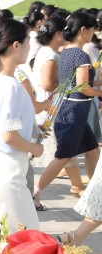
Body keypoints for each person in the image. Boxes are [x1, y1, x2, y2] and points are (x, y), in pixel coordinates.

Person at [0, 18, 42, 233]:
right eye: (27, 43)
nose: (29, 48)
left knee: (5, 245)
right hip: (7, 171)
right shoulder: (9, 85)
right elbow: (9, 135)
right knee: (26, 241)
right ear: (15, 45)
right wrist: (35, 148)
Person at [34, 12, 102, 206]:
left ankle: (95, 191)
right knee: (63, 155)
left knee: (92, 150)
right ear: (83, 30)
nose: (93, 33)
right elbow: (83, 87)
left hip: (69, 108)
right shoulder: (80, 54)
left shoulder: (65, 51)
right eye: (91, 29)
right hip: (74, 112)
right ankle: (35, 191)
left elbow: (75, 82)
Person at [28, 17, 86, 194]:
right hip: (50, 106)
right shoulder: (50, 56)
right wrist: (68, 83)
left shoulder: (46, 52)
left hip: (49, 104)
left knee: (65, 152)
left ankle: (77, 185)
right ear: (58, 33)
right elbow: (47, 84)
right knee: (63, 152)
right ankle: (36, 191)